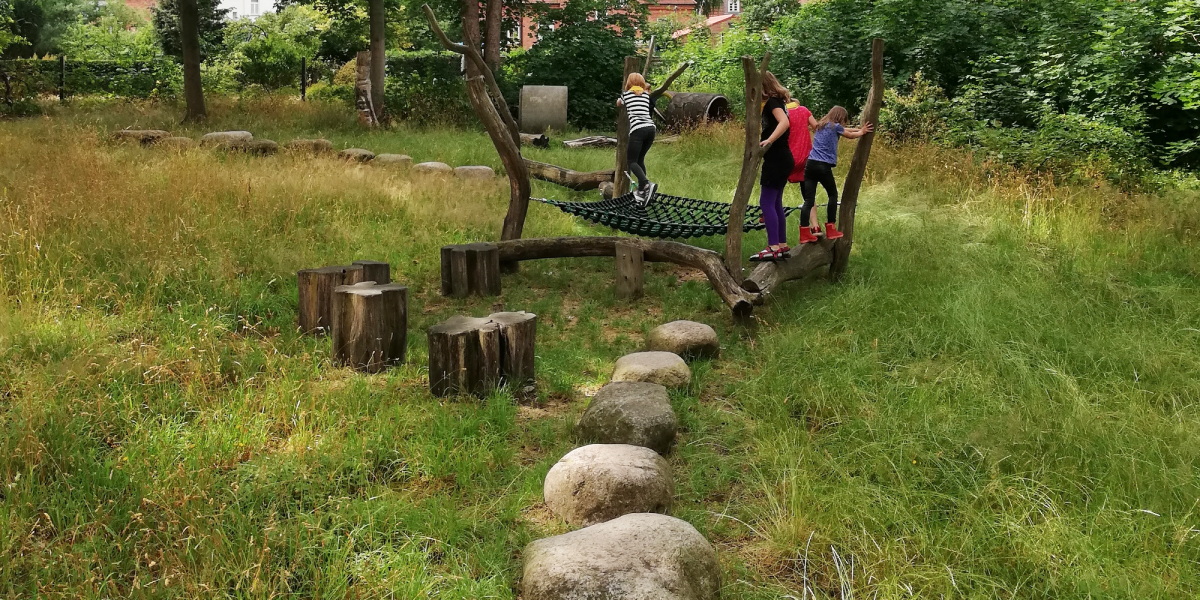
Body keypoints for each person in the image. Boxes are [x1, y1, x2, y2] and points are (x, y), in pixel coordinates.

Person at [798, 106, 873, 244]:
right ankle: (831, 228)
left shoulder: (821, 125)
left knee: (809, 200)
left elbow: (846, 130)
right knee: (832, 195)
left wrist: (859, 129)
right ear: (840, 117)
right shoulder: (836, 127)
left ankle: (804, 232)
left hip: (810, 165)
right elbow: (849, 135)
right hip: (823, 166)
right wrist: (861, 132)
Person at [750, 72, 796, 262]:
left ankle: (773, 247)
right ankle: (782, 245)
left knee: (766, 202)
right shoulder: (776, 102)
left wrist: (768, 139)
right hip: (783, 159)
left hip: (777, 158)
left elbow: (785, 122)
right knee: (776, 203)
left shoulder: (772, 103)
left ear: (765, 87)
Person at [617, 73, 658, 204]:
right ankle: (643, 190)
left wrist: (620, 99)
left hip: (638, 130)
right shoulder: (646, 95)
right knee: (640, 160)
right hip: (651, 129)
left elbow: (619, 104)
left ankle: (646, 184)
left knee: (631, 161)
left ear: (629, 83)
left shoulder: (626, 94)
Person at [785, 100, 817, 230]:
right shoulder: (804, 110)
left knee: (775, 189)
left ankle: (766, 213)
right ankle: (815, 226)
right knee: (809, 195)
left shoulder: (782, 113)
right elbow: (816, 126)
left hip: (788, 157)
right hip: (806, 157)